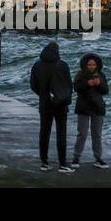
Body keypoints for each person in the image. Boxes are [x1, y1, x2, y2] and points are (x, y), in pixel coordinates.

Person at [29, 40, 74, 172]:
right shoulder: (63, 65)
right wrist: (63, 98)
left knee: (44, 132)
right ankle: (62, 164)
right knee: (61, 133)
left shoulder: (37, 65)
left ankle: (44, 162)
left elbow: (33, 85)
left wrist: (43, 95)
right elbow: (68, 85)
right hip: (60, 104)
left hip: (45, 104)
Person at [72, 53, 110, 169]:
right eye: (89, 65)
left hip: (98, 107)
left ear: (97, 65)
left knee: (97, 134)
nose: (92, 67)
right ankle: (76, 157)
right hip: (83, 107)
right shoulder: (80, 74)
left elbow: (105, 90)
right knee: (82, 134)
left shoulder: (101, 75)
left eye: (94, 64)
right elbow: (76, 88)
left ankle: (98, 158)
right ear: (85, 65)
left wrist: (100, 84)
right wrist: (87, 84)